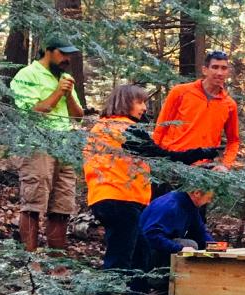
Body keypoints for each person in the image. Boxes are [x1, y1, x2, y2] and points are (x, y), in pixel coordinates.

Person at [84, 84, 221, 271]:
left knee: (139, 253)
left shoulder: (102, 127)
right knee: (121, 257)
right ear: (125, 103)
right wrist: (201, 153)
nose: (144, 108)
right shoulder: (126, 128)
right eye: (140, 102)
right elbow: (163, 157)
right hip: (121, 198)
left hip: (104, 198)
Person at [9, 35, 85, 251]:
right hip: (38, 143)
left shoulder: (64, 77)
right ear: (48, 50)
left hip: (66, 145)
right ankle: (31, 261)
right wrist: (58, 91)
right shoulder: (27, 74)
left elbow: (77, 116)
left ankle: (57, 261)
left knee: (62, 205)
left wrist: (69, 94)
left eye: (69, 54)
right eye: (63, 53)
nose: (67, 58)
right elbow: (33, 112)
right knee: (33, 203)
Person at [152, 51, 241, 172]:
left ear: (227, 72)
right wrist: (152, 158)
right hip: (172, 162)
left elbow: (233, 141)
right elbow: (161, 127)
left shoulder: (229, 104)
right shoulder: (180, 92)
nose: (219, 72)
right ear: (205, 70)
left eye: (223, 68)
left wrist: (225, 165)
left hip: (202, 169)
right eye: (215, 67)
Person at [135, 189, 216, 295]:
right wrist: (179, 248)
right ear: (197, 193)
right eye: (209, 197)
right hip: (145, 251)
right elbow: (150, 235)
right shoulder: (169, 205)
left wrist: (215, 247)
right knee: (190, 245)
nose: (209, 200)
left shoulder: (190, 206)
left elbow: (199, 232)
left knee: (191, 245)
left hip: (158, 247)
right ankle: (160, 288)